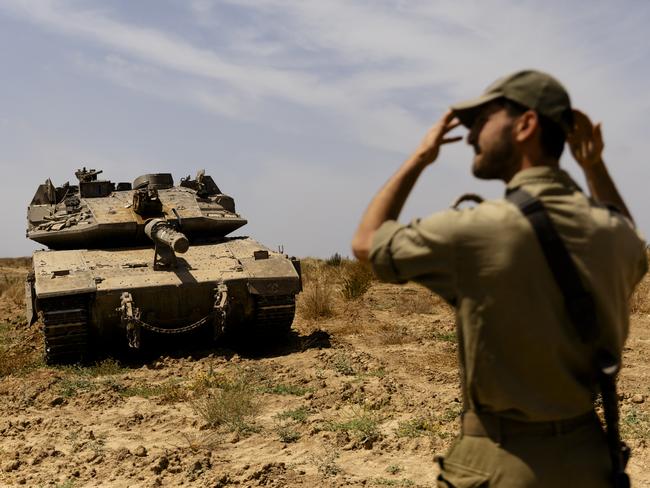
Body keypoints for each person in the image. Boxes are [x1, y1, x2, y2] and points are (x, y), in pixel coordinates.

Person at [351, 70, 647, 487]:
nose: (471, 138)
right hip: (592, 461)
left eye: (483, 121)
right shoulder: (613, 236)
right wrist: (593, 166)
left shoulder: (478, 230)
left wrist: (420, 156)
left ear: (525, 125)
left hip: (501, 463)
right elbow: (628, 235)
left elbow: (366, 243)